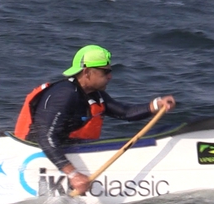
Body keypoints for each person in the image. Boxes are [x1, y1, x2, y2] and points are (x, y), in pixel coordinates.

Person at [14, 45, 176, 194]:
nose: (110, 76)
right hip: (38, 153)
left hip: (67, 147)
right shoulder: (64, 94)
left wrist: (157, 104)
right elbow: (45, 137)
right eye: (105, 72)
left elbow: (125, 112)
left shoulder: (94, 94)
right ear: (87, 72)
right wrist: (73, 174)